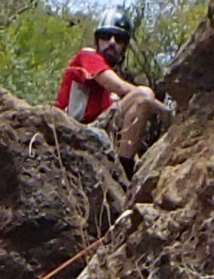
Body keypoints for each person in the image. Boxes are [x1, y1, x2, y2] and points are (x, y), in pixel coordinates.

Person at [56, 15, 168, 166]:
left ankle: (126, 167)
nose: (112, 42)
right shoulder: (88, 56)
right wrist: (165, 111)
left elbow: (123, 124)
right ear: (97, 41)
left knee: (139, 104)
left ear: (124, 46)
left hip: (101, 135)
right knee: (143, 95)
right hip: (75, 130)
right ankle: (124, 168)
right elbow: (120, 88)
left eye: (119, 39)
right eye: (106, 36)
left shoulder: (111, 85)